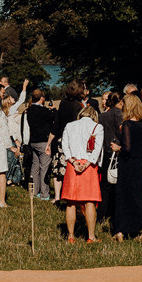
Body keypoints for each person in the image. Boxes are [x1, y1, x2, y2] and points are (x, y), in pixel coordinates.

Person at [57, 96, 102, 242]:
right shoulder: (97, 127)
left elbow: (65, 145)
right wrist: (87, 163)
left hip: (73, 164)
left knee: (71, 202)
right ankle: (91, 236)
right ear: (94, 116)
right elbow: (97, 149)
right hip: (89, 166)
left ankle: (70, 236)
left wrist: (72, 160)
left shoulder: (70, 125)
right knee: (89, 201)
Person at [112, 93, 142, 240]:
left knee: (123, 195)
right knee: (138, 194)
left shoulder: (128, 124)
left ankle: (121, 229)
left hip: (127, 163)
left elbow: (127, 148)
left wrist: (118, 148)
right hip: (139, 162)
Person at [21, 88, 57, 201]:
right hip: (44, 141)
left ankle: (34, 191)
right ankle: (44, 193)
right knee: (44, 168)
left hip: (34, 141)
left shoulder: (30, 110)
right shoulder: (44, 111)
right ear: (42, 98)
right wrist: (53, 110)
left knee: (35, 167)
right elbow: (54, 117)